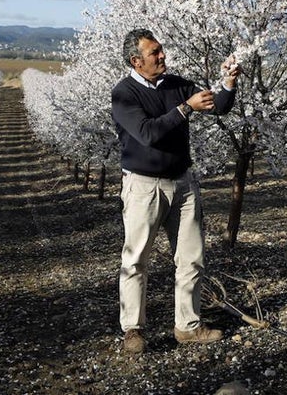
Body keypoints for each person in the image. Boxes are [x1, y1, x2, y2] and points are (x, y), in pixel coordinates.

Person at [112, 28, 240, 356]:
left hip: (183, 183)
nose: (162, 56)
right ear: (136, 61)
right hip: (143, 186)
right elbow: (147, 133)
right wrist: (186, 108)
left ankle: (188, 325)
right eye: (155, 53)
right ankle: (133, 329)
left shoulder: (176, 84)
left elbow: (219, 106)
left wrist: (228, 82)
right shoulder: (124, 94)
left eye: (161, 50)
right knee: (136, 259)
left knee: (191, 257)